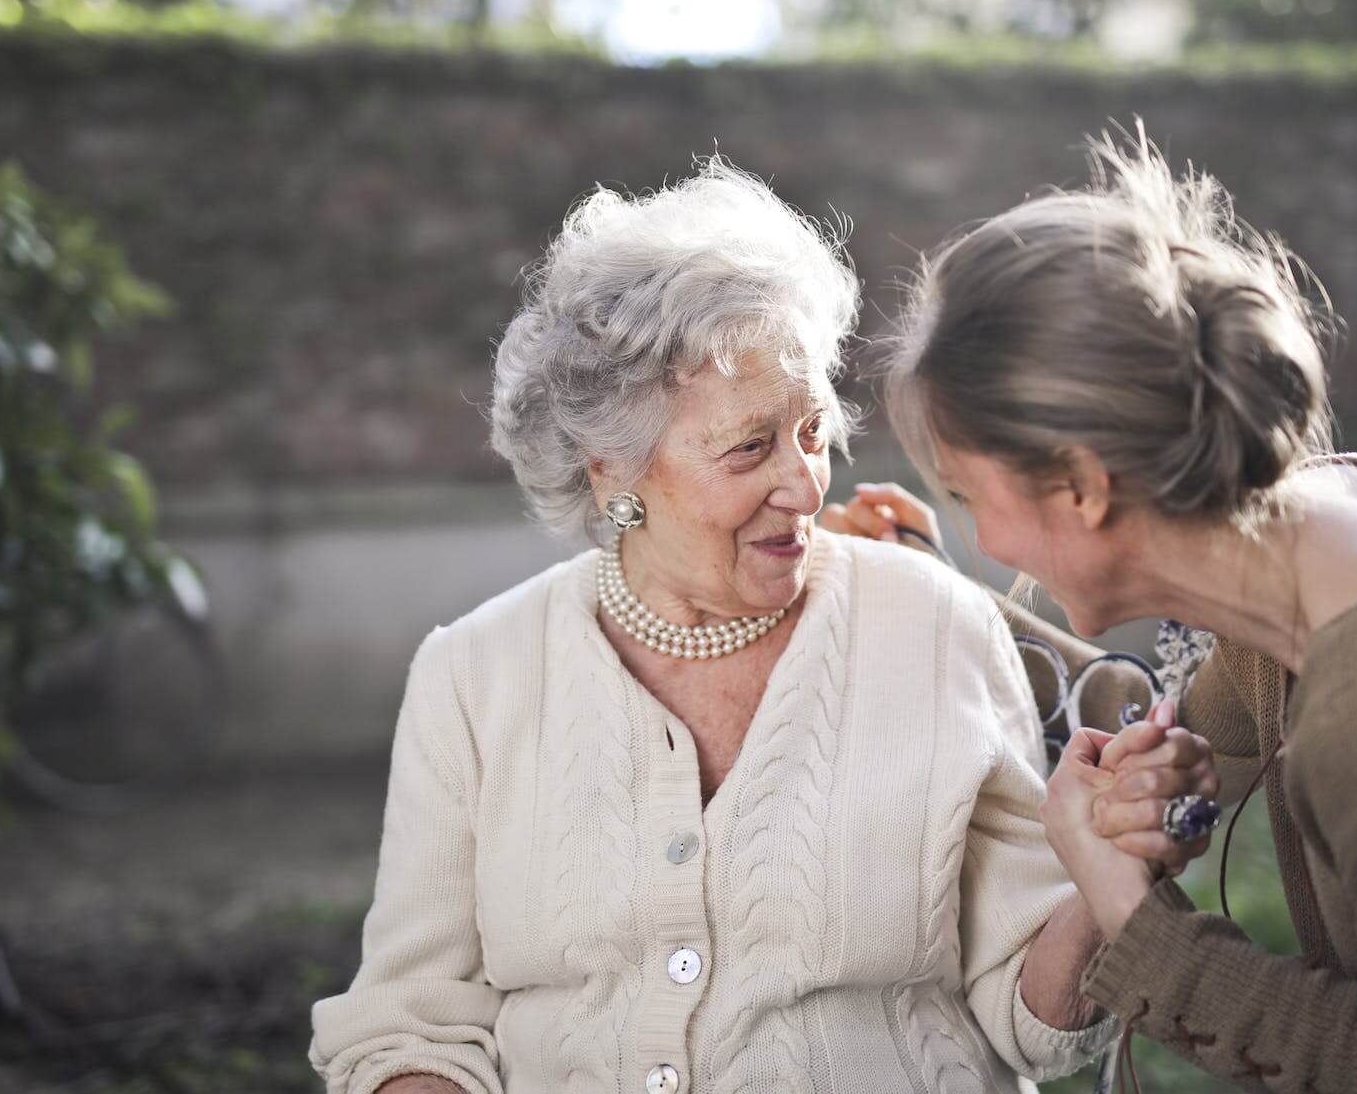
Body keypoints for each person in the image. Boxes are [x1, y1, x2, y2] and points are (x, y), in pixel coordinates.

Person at [308, 160, 1169, 1094]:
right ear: (612, 471)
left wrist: (1103, 869)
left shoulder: (932, 625)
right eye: (750, 446)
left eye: (812, 431)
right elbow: (410, 1024)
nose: (804, 485)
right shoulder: (474, 675)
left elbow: (1034, 1023)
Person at [839, 129, 1357, 1092]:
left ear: (1079, 488)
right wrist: (926, 587)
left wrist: (1135, 921)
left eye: (967, 496)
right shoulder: (1341, 518)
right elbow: (1171, 724)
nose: (987, 538)